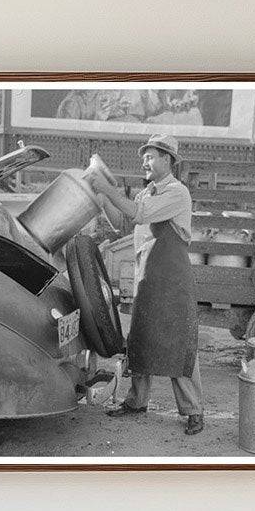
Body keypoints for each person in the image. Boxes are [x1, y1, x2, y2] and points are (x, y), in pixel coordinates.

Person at [88, 135, 204, 435]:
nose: (145, 161)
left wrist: (107, 189)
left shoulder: (178, 193)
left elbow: (139, 214)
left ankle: (193, 411)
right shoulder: (146, 192)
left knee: (180, 345)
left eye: (150, 156)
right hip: (147, 279)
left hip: (173, 282)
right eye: (145, 157)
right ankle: (136, 402)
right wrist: (100, 198)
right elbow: (125, 223)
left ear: (168, 160)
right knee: (140, 339)